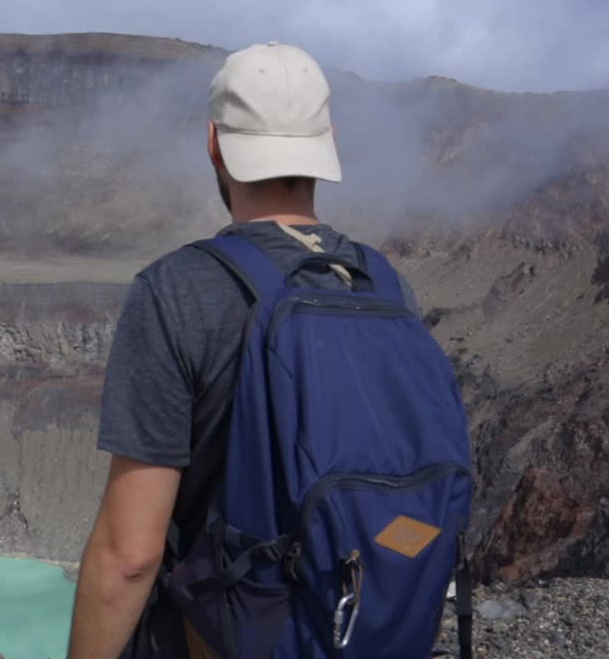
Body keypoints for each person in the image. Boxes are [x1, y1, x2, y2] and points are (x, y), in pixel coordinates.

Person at [68, 42, 422, 658]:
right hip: (365, 625)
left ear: (214, 144)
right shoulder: (387, 286)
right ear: (327, 141)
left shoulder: (174, 290)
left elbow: (129, 557)